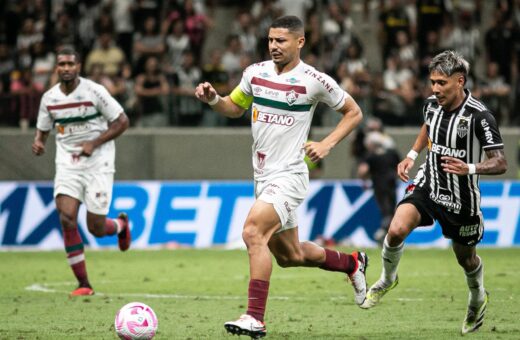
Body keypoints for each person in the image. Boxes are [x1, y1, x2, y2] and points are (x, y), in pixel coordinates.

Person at [195, 15, 367, 338]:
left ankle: (254, 317)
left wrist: (327, 144)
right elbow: (235, 107)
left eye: (281, 41)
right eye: (271, 40)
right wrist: (214, 100)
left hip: (289, 175)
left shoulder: (313, 80)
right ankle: (352, 263)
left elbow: (354, 112)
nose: (273, 46)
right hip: (262, 176)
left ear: (300, 42)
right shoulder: (254, 74)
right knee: (291, 256)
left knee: (251, 232)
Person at [361, 51, 508, 335]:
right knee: (396, 230)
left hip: (461, 198)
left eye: (442, 83)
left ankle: (477, 297)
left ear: (460, 81)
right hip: (429, 183)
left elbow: (500, 162)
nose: (435, 89)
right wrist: (412, 154)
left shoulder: (480, 116)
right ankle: (387, 279)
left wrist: (470, 167)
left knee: (465, 258)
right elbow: (429, 127)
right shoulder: (431, 105)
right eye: (433, 82)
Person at [32, 47, 132, 297]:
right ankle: (84, 284)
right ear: (57, 67)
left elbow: (122, 122)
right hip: (67, 162)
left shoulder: (95, 91)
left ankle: (120, 225)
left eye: (70, 64)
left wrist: (93, 143)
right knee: (66, 217)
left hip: (99, 162)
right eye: (61, 64)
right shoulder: (49, 98)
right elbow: (44, 127)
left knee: (96, 228)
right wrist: (40, 141)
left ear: (79, 67)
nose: (66, 68)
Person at [357, 130, 400, 244]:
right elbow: (399, 167)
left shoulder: (370, 156)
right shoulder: (392, 153)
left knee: (385, 210)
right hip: (392, 184)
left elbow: (362, 171)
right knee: (391, 210)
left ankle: (382, 233)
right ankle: (387, 234)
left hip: (379, 186)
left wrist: (364, 181)